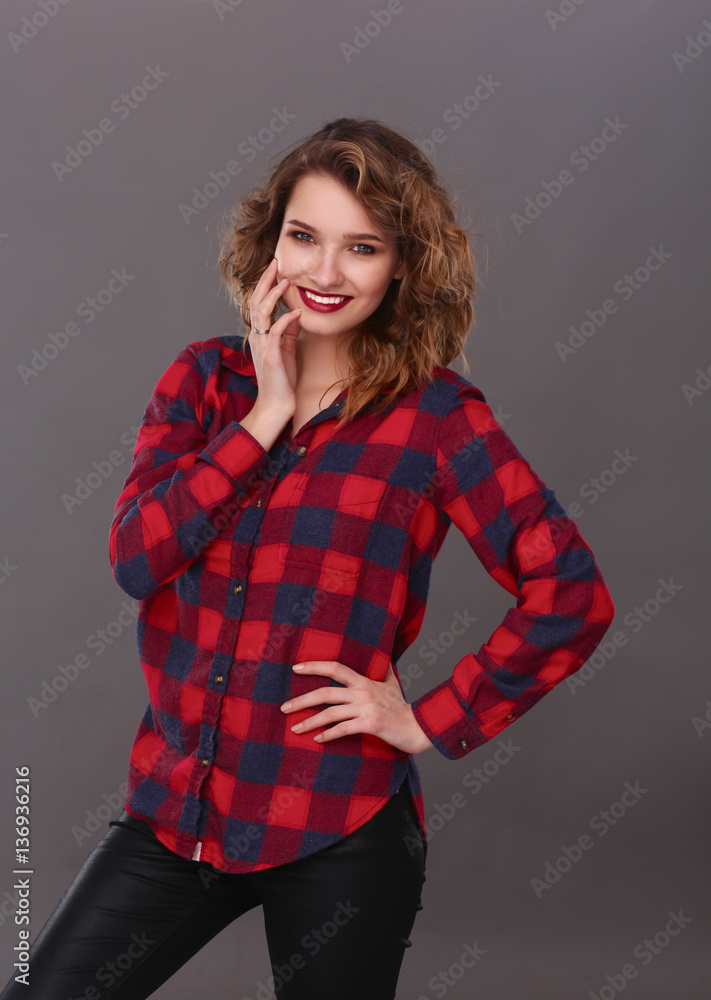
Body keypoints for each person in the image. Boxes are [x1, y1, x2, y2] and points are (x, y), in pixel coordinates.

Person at [1, 117, 615, 1000]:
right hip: (177, 813)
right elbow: (138, 560)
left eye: (361, 247)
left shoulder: (436, 419)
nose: (324, 272)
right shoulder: (204, 381)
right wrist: (264, 417)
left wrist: (431, 718)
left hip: (338, 827)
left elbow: (571, 592)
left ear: (402, 265)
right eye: (303, 237)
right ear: (271, 243)